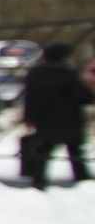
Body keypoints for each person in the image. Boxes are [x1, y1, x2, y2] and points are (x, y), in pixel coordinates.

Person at [21, 43, 92, 189]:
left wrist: (29, 117)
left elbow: (29, 97)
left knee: (44, 150)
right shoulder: (68, 74)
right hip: (68, 119)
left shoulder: (35, 73)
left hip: (44, 119)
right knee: (74, 149)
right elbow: (80, 96)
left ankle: (38, 179)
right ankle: (82, 177)